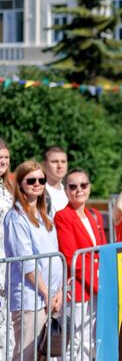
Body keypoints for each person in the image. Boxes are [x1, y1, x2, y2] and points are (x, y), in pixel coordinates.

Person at [3, 160, 64, 361]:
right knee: (26, 355)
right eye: (31, 180)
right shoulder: (16, 217)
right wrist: (47, 293)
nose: (37, 184)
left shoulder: (44, 215)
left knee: (43, 355)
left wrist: (58, 291)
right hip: (30, 298)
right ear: (20, 184)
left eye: (41, 179)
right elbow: (26, 263)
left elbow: (54, 255)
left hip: (49, 296)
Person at [55, 169, 107, 359]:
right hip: (78, 288)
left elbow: (100, 252)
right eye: (73, 186)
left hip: (95, 285)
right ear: (66, 190)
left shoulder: (94, 215)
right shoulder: (62, 216)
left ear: (89, 187)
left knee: (92, 339)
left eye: (83, 185)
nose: (79, 190)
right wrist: (97, 286)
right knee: (78, 340)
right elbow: (72, 258)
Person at [0, 139, 15, 357]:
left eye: (5, 158)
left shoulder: (8, 187)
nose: (2, 161)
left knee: (8, 330)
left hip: (11, 265)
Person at [43, 146, 69, 215]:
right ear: (45, 164)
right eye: (54, 162)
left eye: (63, 162)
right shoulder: (39, 192)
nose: (60, 166)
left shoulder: (69, 191)